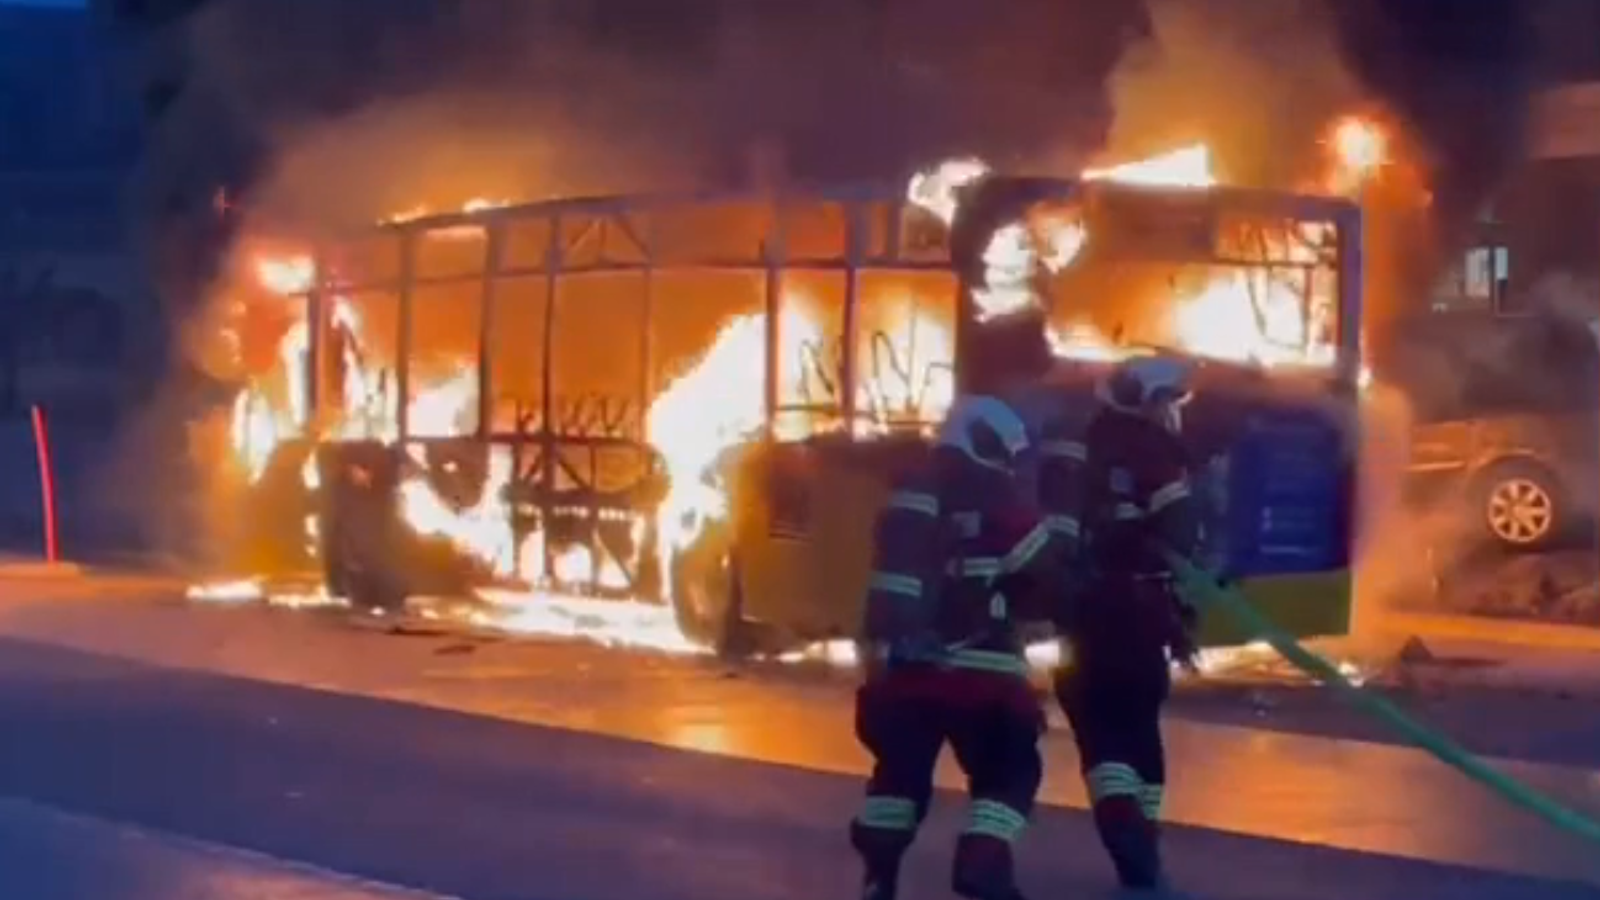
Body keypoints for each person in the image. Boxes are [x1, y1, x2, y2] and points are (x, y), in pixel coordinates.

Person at [849, 394, 1066, 900]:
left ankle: (879, 871)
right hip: (984, 675)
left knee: (898, 777)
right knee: (1009, 771)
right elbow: (1047, 578)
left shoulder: (907, 498)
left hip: (903, 673)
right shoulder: (1003, 503)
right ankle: (982, 860)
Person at [1051, 354, 1203, 891]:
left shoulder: (1077, 448)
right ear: (1146, 401)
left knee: (1099, 728)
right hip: (1138, 616)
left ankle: (1128, 837)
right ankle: (1141, 846)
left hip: (1082, 617)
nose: (1172, 412)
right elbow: (1180, 534)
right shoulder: (1156, 453)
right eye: (1168, 401)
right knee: (1138, 727)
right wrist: (1182, 613)